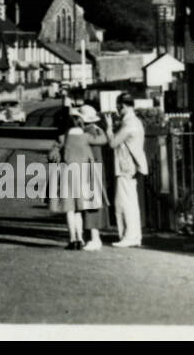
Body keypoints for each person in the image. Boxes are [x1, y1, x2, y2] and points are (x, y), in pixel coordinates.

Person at [48, 104, 109, 250]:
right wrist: (102, 127)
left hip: (67, 176)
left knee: (70, 210)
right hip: (83, 177)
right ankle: (81, 239)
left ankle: (72, 239)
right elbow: (104, 139)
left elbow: (52, 154)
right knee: (79, 211)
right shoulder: (86, 137)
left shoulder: (63, 138)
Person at [107, 92, 148, 247]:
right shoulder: (135, 121)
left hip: (126, 166)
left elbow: (113, 143)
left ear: (122, 106)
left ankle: (128, 236)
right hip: (132, 166)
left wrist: (109, 127)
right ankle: (134, 236)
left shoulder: (129, 124)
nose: (117, 109)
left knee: (123, 203)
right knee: (131, 202)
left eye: (118, 106)